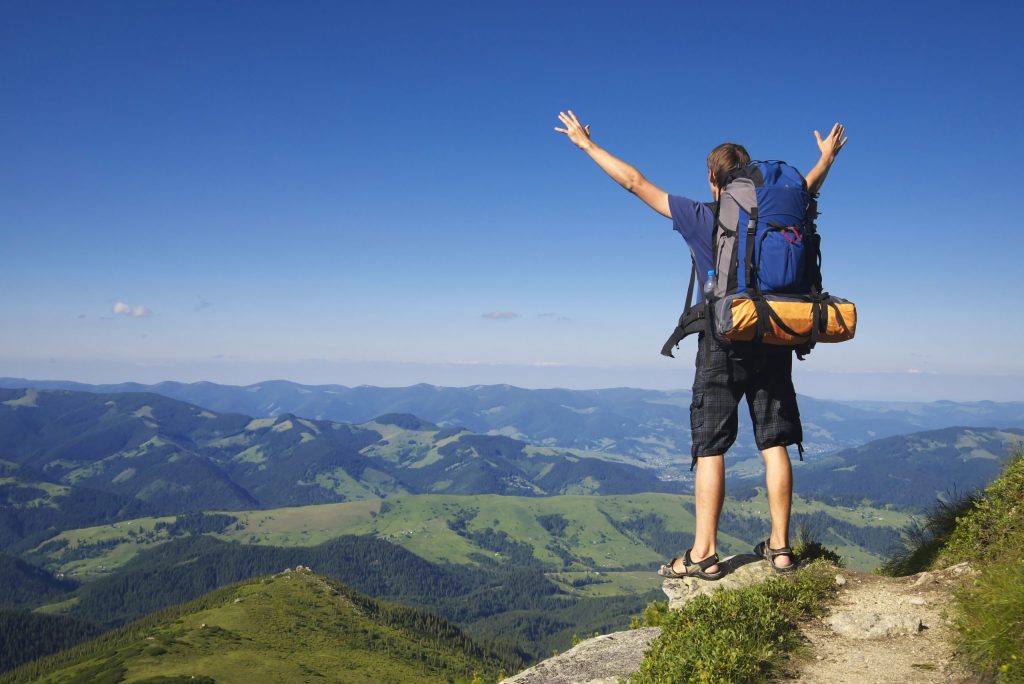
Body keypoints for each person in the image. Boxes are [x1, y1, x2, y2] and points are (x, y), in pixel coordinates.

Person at [554, 111, 847, 577]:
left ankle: (704, 554)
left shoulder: (701, 215)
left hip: (722, 339)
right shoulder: (780, 209)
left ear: (713, 180)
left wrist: (587, 147)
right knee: (775, 443)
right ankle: (782, 548)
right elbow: (807, 186)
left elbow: (635, 183)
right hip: (772, 331)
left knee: (711, 447)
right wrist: (826, 157)